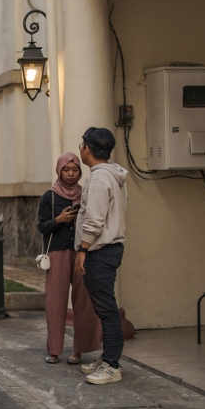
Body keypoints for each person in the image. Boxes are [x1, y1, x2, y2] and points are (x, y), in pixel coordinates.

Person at [74, 127, 129, 385]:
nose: (80, 149)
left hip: (100, 250)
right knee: (104, 308)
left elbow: (94, 221)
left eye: (82, 145)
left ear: (88, 149)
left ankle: (112, 365)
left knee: (107, 310)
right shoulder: (112, 176)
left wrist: (83, 250)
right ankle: (108, 358)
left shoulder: (98, 180)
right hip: (109, 249)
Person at [37, 152, 102, 365]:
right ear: (59, 170)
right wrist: (59, 219)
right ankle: (54, 350)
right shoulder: (50, 196)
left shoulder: (85, 194)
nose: (71, 174)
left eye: (75, 170)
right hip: (58, 252)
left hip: (82, 251)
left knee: (84, 301)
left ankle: (79, 350)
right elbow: (42, 226)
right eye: (67, 170)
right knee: (55, 301)